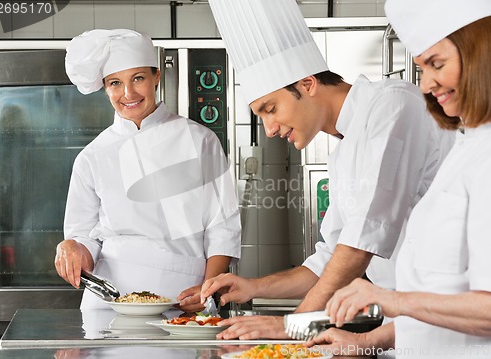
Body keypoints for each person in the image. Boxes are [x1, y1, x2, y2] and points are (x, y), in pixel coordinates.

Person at [201, 0, 454, 339]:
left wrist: (294, 326)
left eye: (271, 109)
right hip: (404, 325)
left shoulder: (394, 104)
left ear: (307, 84)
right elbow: (329, 259)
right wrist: (252, 287)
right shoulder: (344, 150)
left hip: (448, 319)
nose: (270, 129)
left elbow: (360, 242)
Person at [304, 0, 491, 357]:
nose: (426, 85)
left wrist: (391, 299)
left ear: (482, 51)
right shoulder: (466, 150)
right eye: (422, 69)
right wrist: (363, 343)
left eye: (437, 64)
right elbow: (440, 300)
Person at [54, 29, 241, 312]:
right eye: (115, 83)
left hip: (185, 297)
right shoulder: (92, 156)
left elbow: (222, 226)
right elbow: (85, 237)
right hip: (110, 300)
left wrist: (207, 290)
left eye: (138, 78)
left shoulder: (200, 141)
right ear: (105, 88)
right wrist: (72, 249)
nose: (127, 93)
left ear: (156, 76)